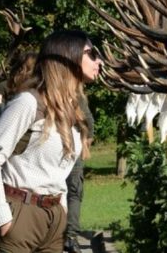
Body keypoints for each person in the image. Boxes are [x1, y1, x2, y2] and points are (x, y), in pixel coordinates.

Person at [0, 30, 102, 252]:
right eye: (92, 53)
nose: (98, 60)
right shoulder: (28, 102)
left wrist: (62, 210)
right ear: (68, 55)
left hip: (53, 222)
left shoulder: (72, 109)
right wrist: (3, 218)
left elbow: (59, 171)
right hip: (19, 216)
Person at [64, 94, 95, 253]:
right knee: (74, 192)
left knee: (70, 191)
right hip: (72, 148)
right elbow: (89, 123)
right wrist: (85, 142)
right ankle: (70, 236)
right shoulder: (77, 94)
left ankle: (67, 235)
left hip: (68, 148)